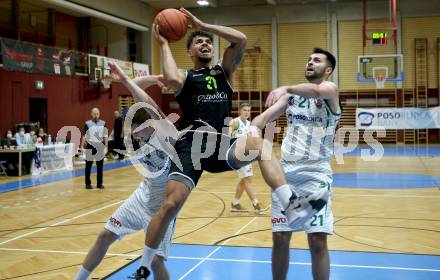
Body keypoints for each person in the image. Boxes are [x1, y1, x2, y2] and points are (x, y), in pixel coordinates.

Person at [133, 8, 329, 279]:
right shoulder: (184, 76)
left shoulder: (224, 72)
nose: (205, 44)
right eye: (198, 41)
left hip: (221, 144)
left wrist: (204, 25)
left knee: (260, 143)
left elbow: (241, 39)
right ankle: (144, 266)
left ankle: (293, 205)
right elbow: (171, 76)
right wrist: (164, 43)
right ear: (189, 51)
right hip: (190, 146)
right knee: (170, 205)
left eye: (207, 42)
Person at [76, 62, 176, 280]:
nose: (134, 136)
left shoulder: (167, 135)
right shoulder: (135, 131)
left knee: (156, 261)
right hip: (142, 197)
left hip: (163, 205)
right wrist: (154, 77)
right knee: (104, 235)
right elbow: (134, 86)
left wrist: (128, 78)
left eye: (137, 132)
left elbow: (148, 102)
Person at [253, 48, 340, 280]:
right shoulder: (291, 98)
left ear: (327, 70)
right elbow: (263, 118)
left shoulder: (329, 90)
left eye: (317, 60)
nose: (311, 62)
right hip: (286, 175)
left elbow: (319, 90)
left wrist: (286, 87)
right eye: (309, 59)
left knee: (317, 240)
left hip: (316, 176)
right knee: (280, 239)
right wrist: (253, 128)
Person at [229, 103, 266, 213]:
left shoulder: (250, 125)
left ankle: (235, 203)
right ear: (239, 111)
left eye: (249, 110)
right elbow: (227, 135)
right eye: (244, 110)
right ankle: (256, 204)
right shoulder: (235, 122)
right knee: (247, 179)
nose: (247, 112)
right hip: (237, 155)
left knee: (244, 180)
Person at [81, 108, 108, 189]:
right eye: (94, 113)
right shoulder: (87, 123)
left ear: (99, 114)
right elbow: (84, 136)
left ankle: (99, 184)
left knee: (100, 167)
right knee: (88, 166)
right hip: (90, 146)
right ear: (91, 114)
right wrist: (82, 146)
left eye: (97, 113)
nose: (96, 115)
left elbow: (105, 136)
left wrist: (106, 147)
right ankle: (88, 184)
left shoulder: (103, 123)